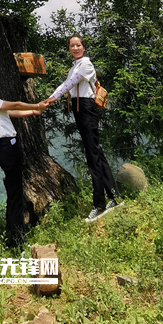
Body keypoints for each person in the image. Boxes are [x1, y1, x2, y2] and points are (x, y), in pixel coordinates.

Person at [47, 35, 121, 223]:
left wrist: (50, 99)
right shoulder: (75, 66)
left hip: (86, 108)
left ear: (83, 47)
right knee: (96, 151)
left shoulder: (86, 65)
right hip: (80, 110)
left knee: (92, 155)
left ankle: (99, 205)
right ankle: (114, 196)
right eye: (72, 46)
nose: (75, 48)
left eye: (78, 45)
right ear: (70, 49)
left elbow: (69, 84)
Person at [0, 68, 49, 248]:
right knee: (15, 193)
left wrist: (33, 112)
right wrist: (36, 105)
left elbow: (10, 113)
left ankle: (12, 235)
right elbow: (15, 105)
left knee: (13, 191)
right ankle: (17, 240)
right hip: (7, 146)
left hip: (9, 146)